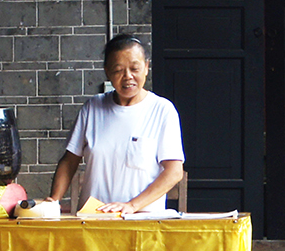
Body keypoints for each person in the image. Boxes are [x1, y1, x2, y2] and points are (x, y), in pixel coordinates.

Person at [47, 33, 185, 214]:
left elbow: (174, 172)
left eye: (134, 69)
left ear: (146, 67)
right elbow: (69, 161)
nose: (128, 77)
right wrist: (53, 201)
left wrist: (132, 205)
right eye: (119, 70)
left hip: (143, 222)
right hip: (93, 219)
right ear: (107, 71)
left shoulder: (162, 110)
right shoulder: (92, 108)